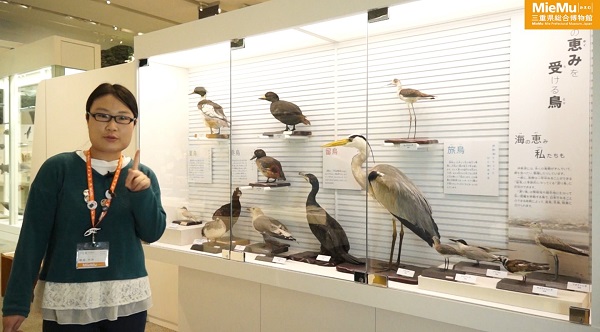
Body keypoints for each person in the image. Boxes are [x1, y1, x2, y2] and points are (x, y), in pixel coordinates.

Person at [2, 83, 167, 332]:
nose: (112, 126)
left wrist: (142, 194)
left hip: (126, 296)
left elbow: (152, 233)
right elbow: (33, 237)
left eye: (122, 118)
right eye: (102, 116)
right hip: (68, 294)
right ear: (87, 118)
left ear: (133, 124)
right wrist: (16, 301)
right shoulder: (58, 169)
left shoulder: (141, 175)